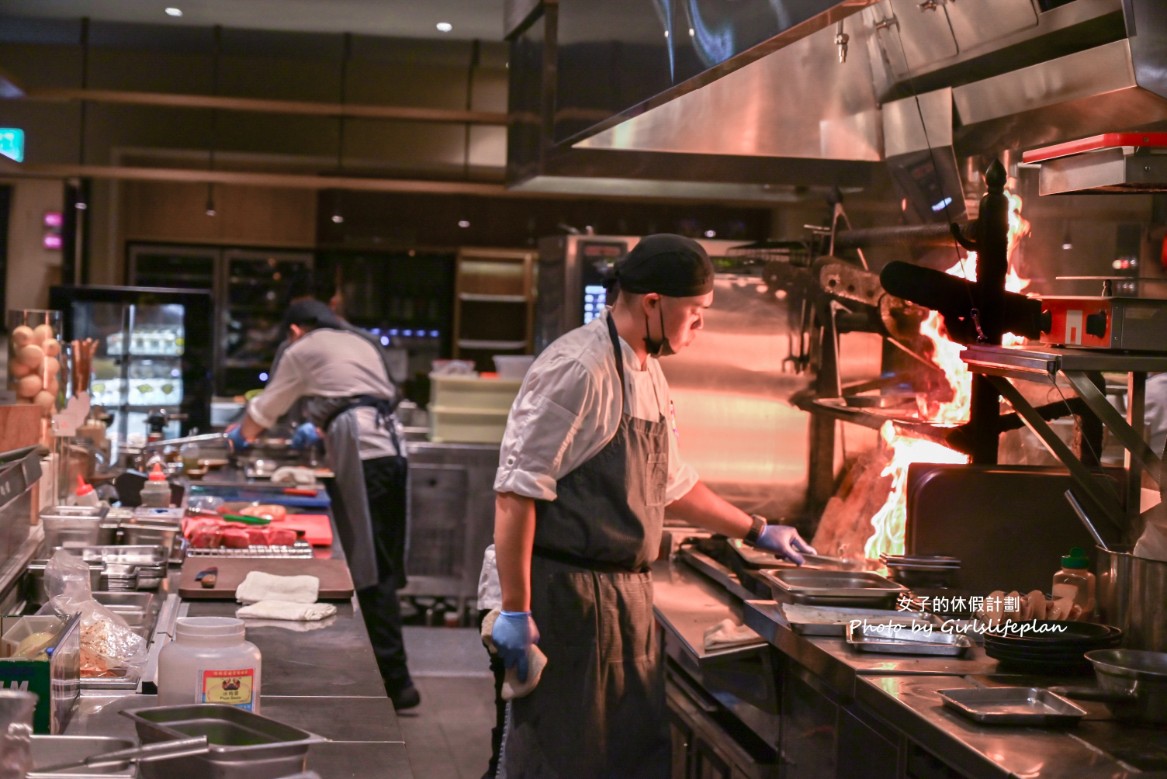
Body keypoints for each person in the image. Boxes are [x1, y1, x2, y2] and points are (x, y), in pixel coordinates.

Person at [489, 234, 815, 778]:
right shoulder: (579, 369)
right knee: (564, 760)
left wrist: (755, 530)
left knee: (625, 760)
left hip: (629, 600)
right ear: (653, 303)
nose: (700, 325)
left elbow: (672, 483)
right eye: (696, 312)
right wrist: (516, 609)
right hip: (568, 604)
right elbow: (516, 493)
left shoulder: (648, 370)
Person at [226, 298, 419, 710]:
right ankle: (396, 677)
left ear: (295, 329)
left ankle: (393, 681)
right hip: (392, 451)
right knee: (379, 562)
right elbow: (363, 394)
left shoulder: (303, 348)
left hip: (364, 452)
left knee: (368, 565)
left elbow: (266, 406)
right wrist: (317, 426)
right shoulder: (355, 340)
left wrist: (237, 436)